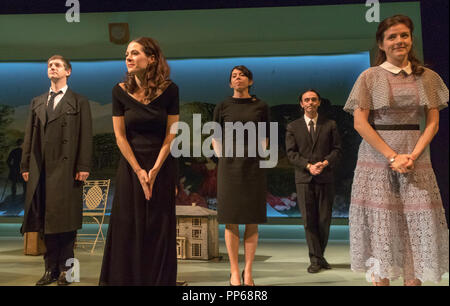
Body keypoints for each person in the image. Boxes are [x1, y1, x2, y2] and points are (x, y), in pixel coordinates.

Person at [343, 15, 449, 286]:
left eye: (404, 35)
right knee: (382, 226)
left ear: (411, 39)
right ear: (381, 44)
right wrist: (392, 156)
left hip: (416, 156)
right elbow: (360, 122)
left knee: (416, 222)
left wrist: (412, 155)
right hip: (377, 157)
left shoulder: (427, 77)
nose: (399, 41)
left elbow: (433, 122)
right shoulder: (369, 77)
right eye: (392, 36)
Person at [99, 37, 179, 285]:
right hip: (131, 167)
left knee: (158, 225)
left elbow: (172, 133)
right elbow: (120, 136)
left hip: (161, 166)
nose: (129, 57)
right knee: (128, 225)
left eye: (135, 53)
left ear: (152, 58)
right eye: (126, 54)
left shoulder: (170, 90)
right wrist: (138, 170)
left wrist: (155, 169)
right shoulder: (119, 91)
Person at [20, 55, 93, 286]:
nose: (52, 68)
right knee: (46, 222)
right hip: (41, 169)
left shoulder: (79, 101)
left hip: (67, 169)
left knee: (67, 222)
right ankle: (50, 269)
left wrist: (83, 166)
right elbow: (29, 137)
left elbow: (85, 136)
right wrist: (25, 164)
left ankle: (67, 271)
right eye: (50, 65)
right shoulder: (38, 101)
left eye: (57, 65)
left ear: (68, 71)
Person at [212, 65, 270, 286]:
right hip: (229, 168)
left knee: (252, 219)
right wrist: (223, 158)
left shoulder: (261, 105)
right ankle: (234, 271)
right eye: (234, 76)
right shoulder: (223, 105)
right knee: (231, 220)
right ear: (230, 83)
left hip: (254, 167)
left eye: (242, 75)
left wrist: (260, 156)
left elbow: (266, 135)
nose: (238, 78)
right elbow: (216, 136)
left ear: (250, 81)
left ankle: (249, 272)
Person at [285, 89, 342, 273]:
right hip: (304, 178)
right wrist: (309, 166)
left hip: (325, 178)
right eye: (306, 100)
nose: (310, 102)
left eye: (313, 99)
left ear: (318, 103)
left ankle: (319, 256)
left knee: (324, 220)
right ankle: (316, 259)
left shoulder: (330, 124)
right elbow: (291, 154)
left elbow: (337, 150)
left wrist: (324, 163)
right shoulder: (293, 127)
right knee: (309, 221)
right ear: (301, 104)